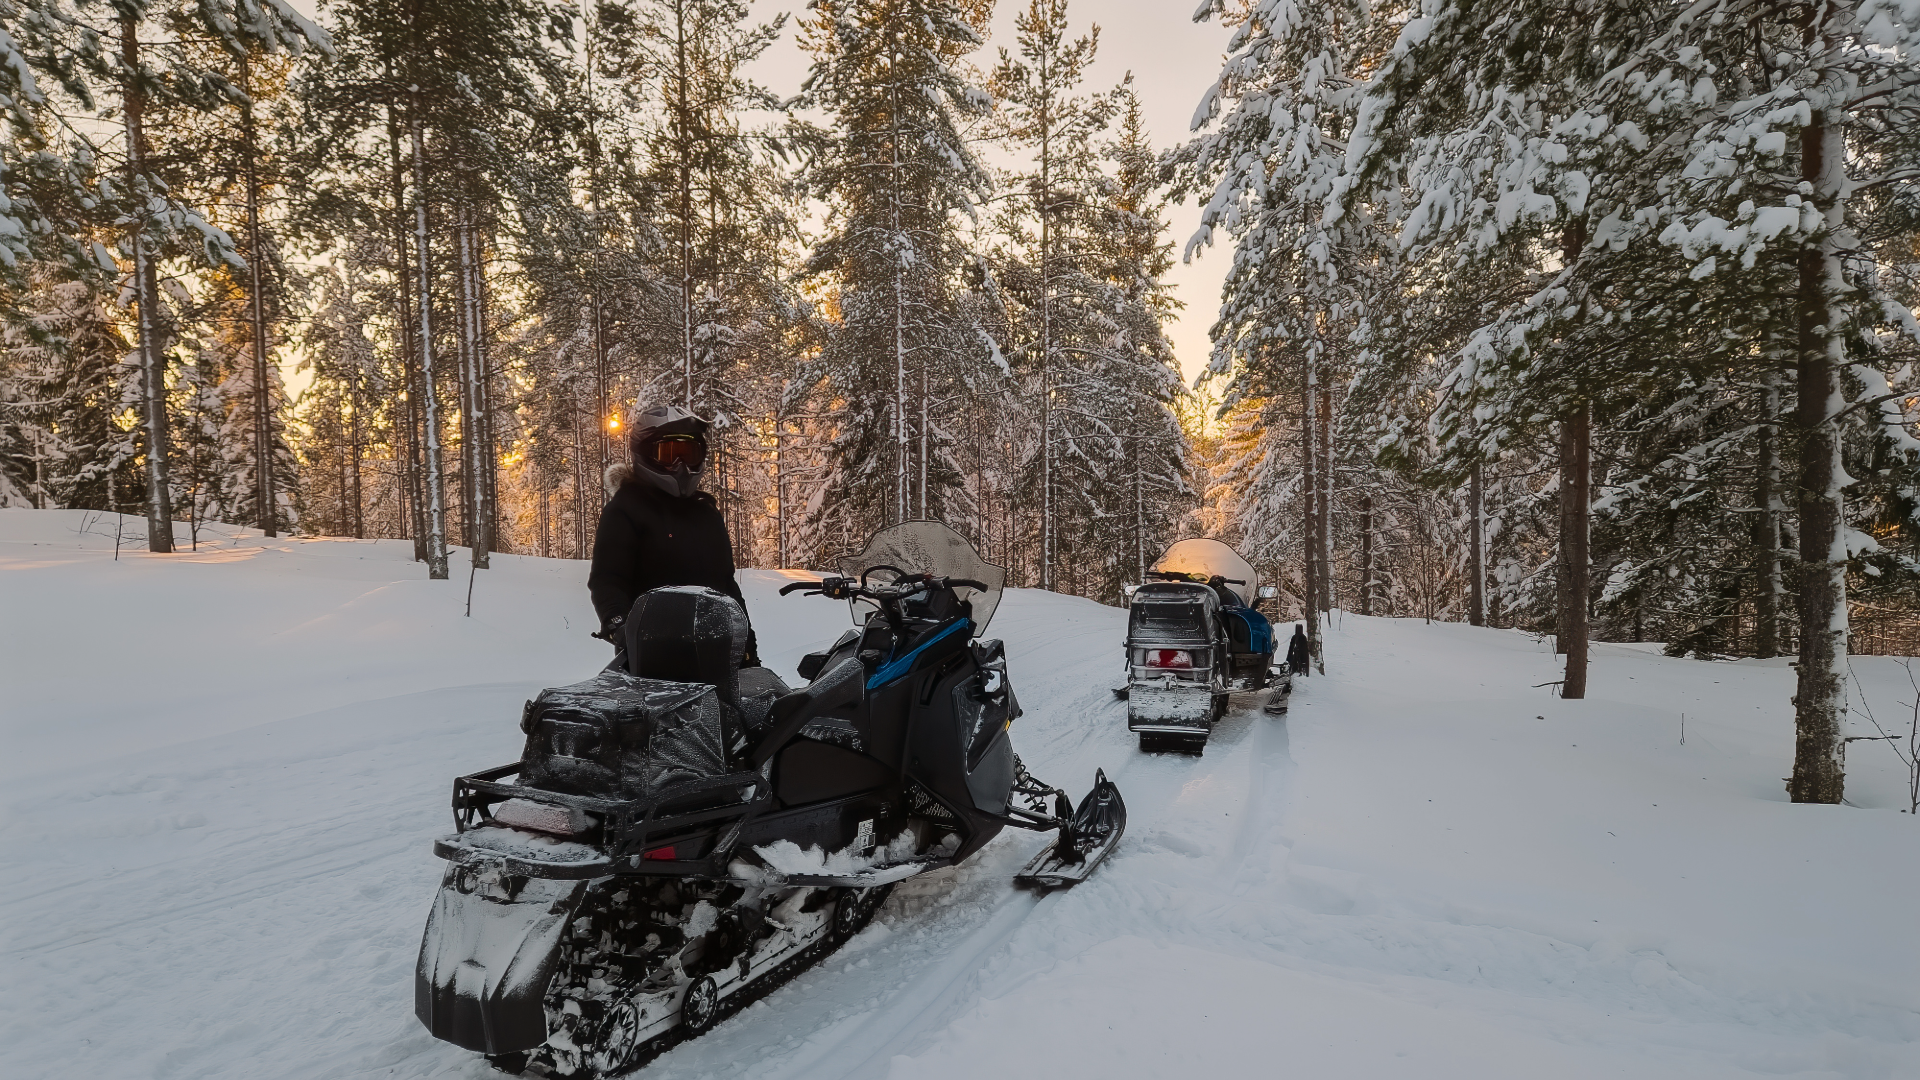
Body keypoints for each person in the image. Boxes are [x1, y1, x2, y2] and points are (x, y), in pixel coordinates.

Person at [588, 403, 758, 664]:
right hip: (652, 657)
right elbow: (608, 580)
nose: (680, 465)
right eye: (669, 453)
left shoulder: (706, 513)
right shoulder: (626, 509)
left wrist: (747, 646)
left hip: (717, 654)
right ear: (645, 452)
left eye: (689, 453)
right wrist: (618, 626)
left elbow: (727, 586)